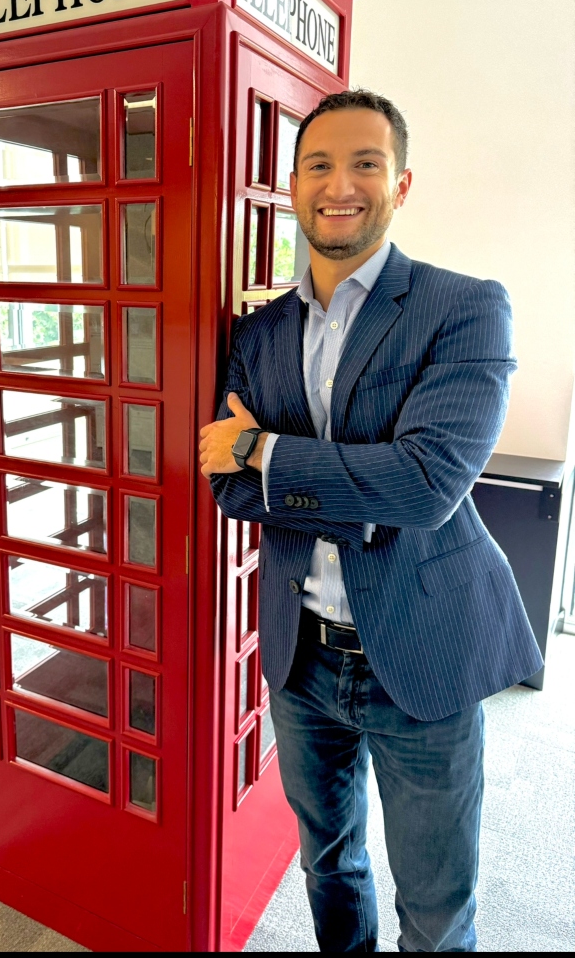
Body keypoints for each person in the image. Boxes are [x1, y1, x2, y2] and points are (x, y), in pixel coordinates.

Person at [199, 90, 542, 953]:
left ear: (401, 184)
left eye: (364, 164)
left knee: (433, 905)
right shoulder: (260, 332)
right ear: (292, 185)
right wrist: (353, 487)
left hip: (423, 652)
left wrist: (267, 453)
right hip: (302, 653)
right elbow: (226, 486)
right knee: (331, 867)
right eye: (318, 164)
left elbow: (427, 485)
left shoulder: (463, 308)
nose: (339, 184)